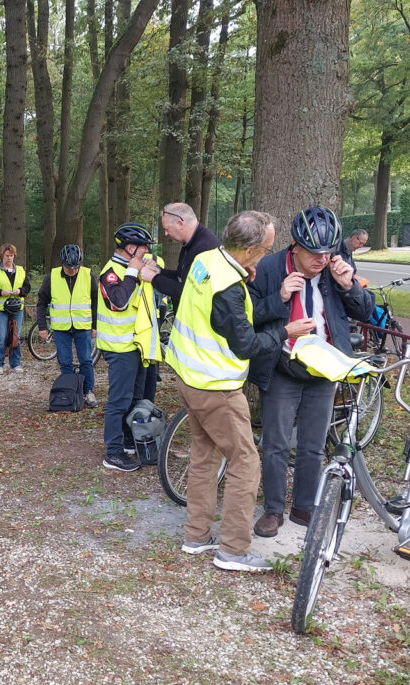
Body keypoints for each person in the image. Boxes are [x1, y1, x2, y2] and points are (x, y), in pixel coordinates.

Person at [166, 212, 314, 572]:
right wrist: (287, 332)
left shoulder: (208, 257)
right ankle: (233, 549)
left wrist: (246, 277)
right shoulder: (228, 289)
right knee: (246, 463)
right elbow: (246, 343)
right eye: (264, 249)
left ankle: (196, 535)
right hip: (216, 387)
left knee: (204, 456)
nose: (266, 255)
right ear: (248, 249)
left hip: (188, 375)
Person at [249, 206, 374, 538]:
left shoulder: (334, 267)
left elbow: (364, 311)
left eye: (327, 252)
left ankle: (304, 505)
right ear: (295, 245)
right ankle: (273, 510)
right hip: (282, 365)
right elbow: (248, 316)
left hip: (325, 369)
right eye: (314, 253)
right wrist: (280, 297)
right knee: (275, 443)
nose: (322, 259)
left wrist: (348, 285)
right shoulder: (269, 268)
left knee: (313, 444)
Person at [96, 223, 162, 472]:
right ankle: (112, 453)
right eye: (143, 248)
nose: (147, 251)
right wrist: (133, 272)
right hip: (119, 347)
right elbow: (119, 301)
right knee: (119, 401)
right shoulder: (112, 272)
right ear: (131, 248)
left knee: (136, 398)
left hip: (137, 346)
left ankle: (128, 443)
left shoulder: (132, 268)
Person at [36, 244, 99, 408]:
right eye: (69, 267)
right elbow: (42, 302)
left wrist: (95, 325)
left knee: (86, 360)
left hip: (82, 326)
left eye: (76, 267)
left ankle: (88, 391)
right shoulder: (52, 277)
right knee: (65, 362)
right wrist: (42, 327)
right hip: (61, 328)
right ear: (62, 263)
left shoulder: (88, 275)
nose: (73, 270)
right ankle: (69, 392)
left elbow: (96, 302)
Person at [141, 202, 221, 303]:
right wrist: (160, 271)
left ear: (180, 224)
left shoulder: (205, 248)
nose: (166, 234)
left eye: (167, 229)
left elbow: (189, 291)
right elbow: (181, 277)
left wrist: (154, 278)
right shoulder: (189, 243)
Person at [0, 243, 30, 374]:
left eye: (11, 255)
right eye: (6, 255)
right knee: (2, 336)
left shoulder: (21, 270)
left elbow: (27, 288)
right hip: (0, 309)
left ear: (14, 256)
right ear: (2, 256)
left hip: (17, 308)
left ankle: (15, 363)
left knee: (15, 336)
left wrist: (20, 291)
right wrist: (0, 292)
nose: (9, 258)